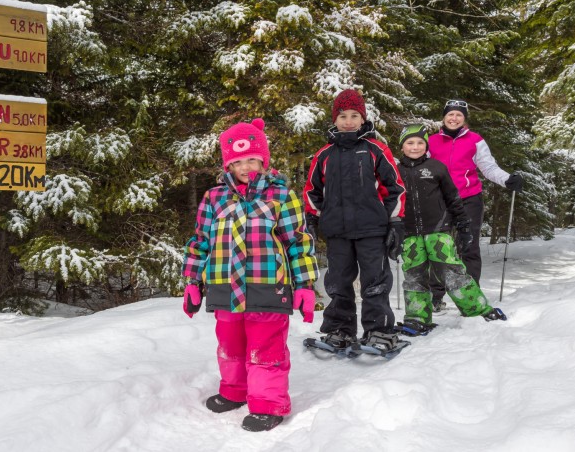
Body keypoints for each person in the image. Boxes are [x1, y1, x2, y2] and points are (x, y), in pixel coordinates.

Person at [181, 118, 319, 432]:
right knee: (229, 345)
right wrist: (192, 281)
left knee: (265, 348)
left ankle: (268, 404)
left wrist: (305, 284)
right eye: (238, 161)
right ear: (228, 164)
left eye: (252, 159)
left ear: (264, 159)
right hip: (223, 286)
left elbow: (297, 241)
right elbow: (200, 241)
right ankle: (234, 390)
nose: (245, 166)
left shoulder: (282, 195)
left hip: (268, 286)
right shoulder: (214, 198)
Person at [302, 89, 406, 352]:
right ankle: (340, 330)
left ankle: (379, 331)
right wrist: (314, 219)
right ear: (335, 119)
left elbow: (396, 188)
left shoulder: (375, 150)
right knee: (338, 282)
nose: (348, 121)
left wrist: (395, 223)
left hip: (372, 229)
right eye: (343, 116)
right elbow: (312, 191)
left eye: (354, 115)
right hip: (337, 231)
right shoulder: (324, 154)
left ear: (363, 119)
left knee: (375, 281)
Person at [395, 125, 506, 334]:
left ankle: (477, 309)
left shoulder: (436, 167)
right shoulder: (395, 171)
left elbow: (452, 198)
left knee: (452, 271)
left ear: (426, 145)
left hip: (438, 231)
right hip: (409, 234)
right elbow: (389, 201)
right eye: (410, 142)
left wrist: (463, 224)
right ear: (402, 146)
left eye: (420, 142)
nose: (415, 147)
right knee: (414, 275)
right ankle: (417, 317)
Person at [427, 100, 523, 311]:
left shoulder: (476, 140)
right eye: (450, 114)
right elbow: (422, 168)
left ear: (464, 118)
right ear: (444, 117)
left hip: (469, 199)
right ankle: (435, 296)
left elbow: (489, 168)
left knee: (468, 246)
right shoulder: (431, 141)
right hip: (439, 200)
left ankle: (471, 295)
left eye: (459, 115)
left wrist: (507, 179)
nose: (454, 118)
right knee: (438, 247)